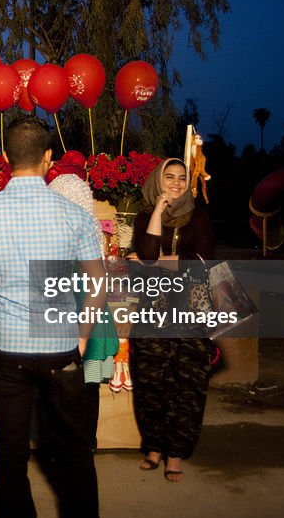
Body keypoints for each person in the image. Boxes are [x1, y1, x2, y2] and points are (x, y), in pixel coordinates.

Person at [0, 116, 106, 518]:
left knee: (11, 452)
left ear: (7, 157)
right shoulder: (75, 216)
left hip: (7, 351)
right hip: (61, 347)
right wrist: (81, 338)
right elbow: (97, 284)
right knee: (75, 450)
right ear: (48, 158)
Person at [130, 158, 215, 482]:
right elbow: (148, 252)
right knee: (151, 384)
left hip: (190, 316)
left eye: (182, 178)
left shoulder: (198, 216)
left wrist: (153, 262)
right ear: (158, 181)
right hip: (152, 315)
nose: (177, 183)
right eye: (170, 177)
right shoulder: (143, 217)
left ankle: (176, 452)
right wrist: (157, 211)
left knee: (187, 386)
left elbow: (201, 262)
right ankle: (153, 447)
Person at [47, 173, 120, 450]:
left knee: (77, 386)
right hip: (85, 316)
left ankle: (77, 443)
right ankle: (82, 443)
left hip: (80, 315)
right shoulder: (86, 228)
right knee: (82, 386)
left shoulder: (77, 230)